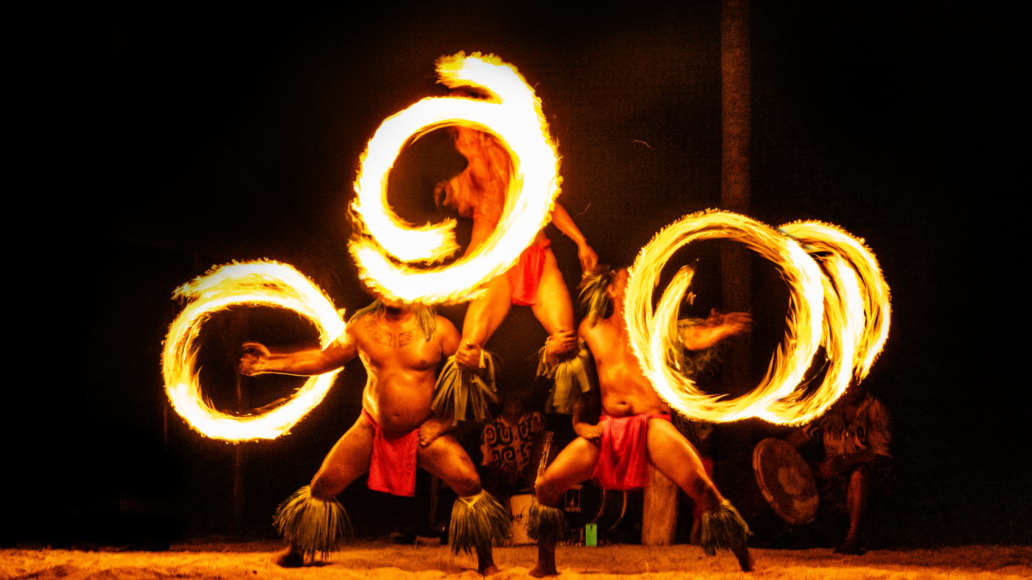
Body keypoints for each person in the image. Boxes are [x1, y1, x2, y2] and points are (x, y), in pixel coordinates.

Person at [238, 300, 508, 574]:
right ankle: (295, 552)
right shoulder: (362, 327)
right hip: (371, 427)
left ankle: (486, 562)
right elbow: (323, 359)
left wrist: (444, 421)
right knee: (323, 485)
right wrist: (270, 362)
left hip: (423, 431)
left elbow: (470, 381)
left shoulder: (440, 329)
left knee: (470, 483)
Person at [528, 266, 754, 576]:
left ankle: (746, 561)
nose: (637, 277)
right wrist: (554, 360)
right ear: (611, 289)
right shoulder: (590, 329)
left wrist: (720, 330)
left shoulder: (654, 330)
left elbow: (692, 336)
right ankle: (545, 566)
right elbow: (574, 380)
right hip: (608, 428)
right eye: (628, 274)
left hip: (651, 425)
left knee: (703, 488)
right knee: (546, 486)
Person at [433, 125, 598, 420]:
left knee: (566, 340)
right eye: (461, 135)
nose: (469, 138)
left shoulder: (520, 163)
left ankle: (578, 421)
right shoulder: (463, 182)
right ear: (458, 145)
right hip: (498, 270)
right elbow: (463, 223)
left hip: (538, 258)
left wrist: (580, 241)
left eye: (472, 131)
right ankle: (449, 420)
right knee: (467, 351)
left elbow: (550, 206)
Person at [787, 384, 893, 554]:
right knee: (798, 472)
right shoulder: (829, 406)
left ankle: (853, 537)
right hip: (833, 475)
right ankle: (792, 534)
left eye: (857, 382)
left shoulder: (875, 409)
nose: (852, 387)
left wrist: (845, 461)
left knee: (858, 476)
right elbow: (802, 435)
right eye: (848, 383)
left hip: (865, 477)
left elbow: (881, 455)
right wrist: (778, 450)